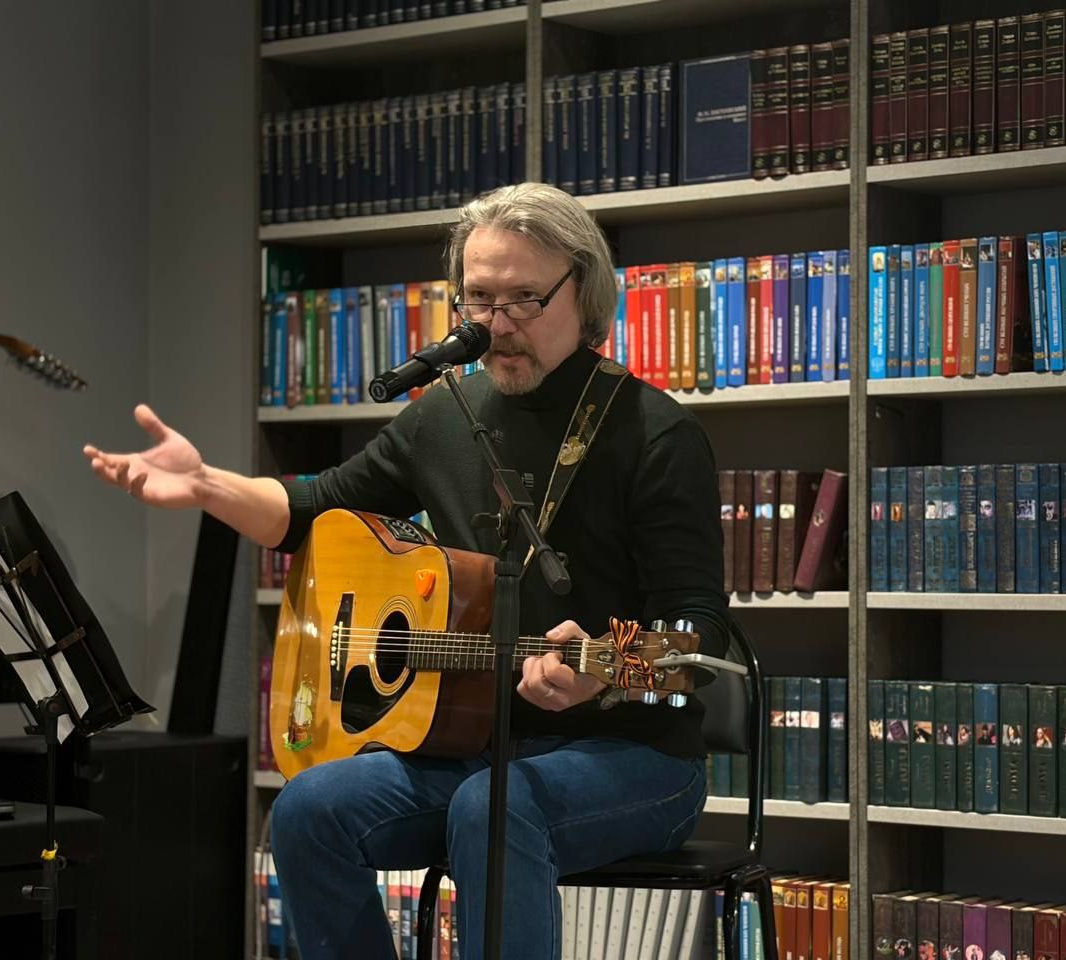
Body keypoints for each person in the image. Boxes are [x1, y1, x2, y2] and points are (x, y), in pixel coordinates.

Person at [84, 182, 728, 959]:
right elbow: (312, 509)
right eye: (479, 299)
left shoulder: (657, 435)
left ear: (583, 292)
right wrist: (205, 486)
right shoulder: (446, 414)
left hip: (638, 757)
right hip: (474, 746)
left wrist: (602, 670)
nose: (497, 324)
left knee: (495, 810)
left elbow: (698, 638)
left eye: (524, 299)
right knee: (309, 810)